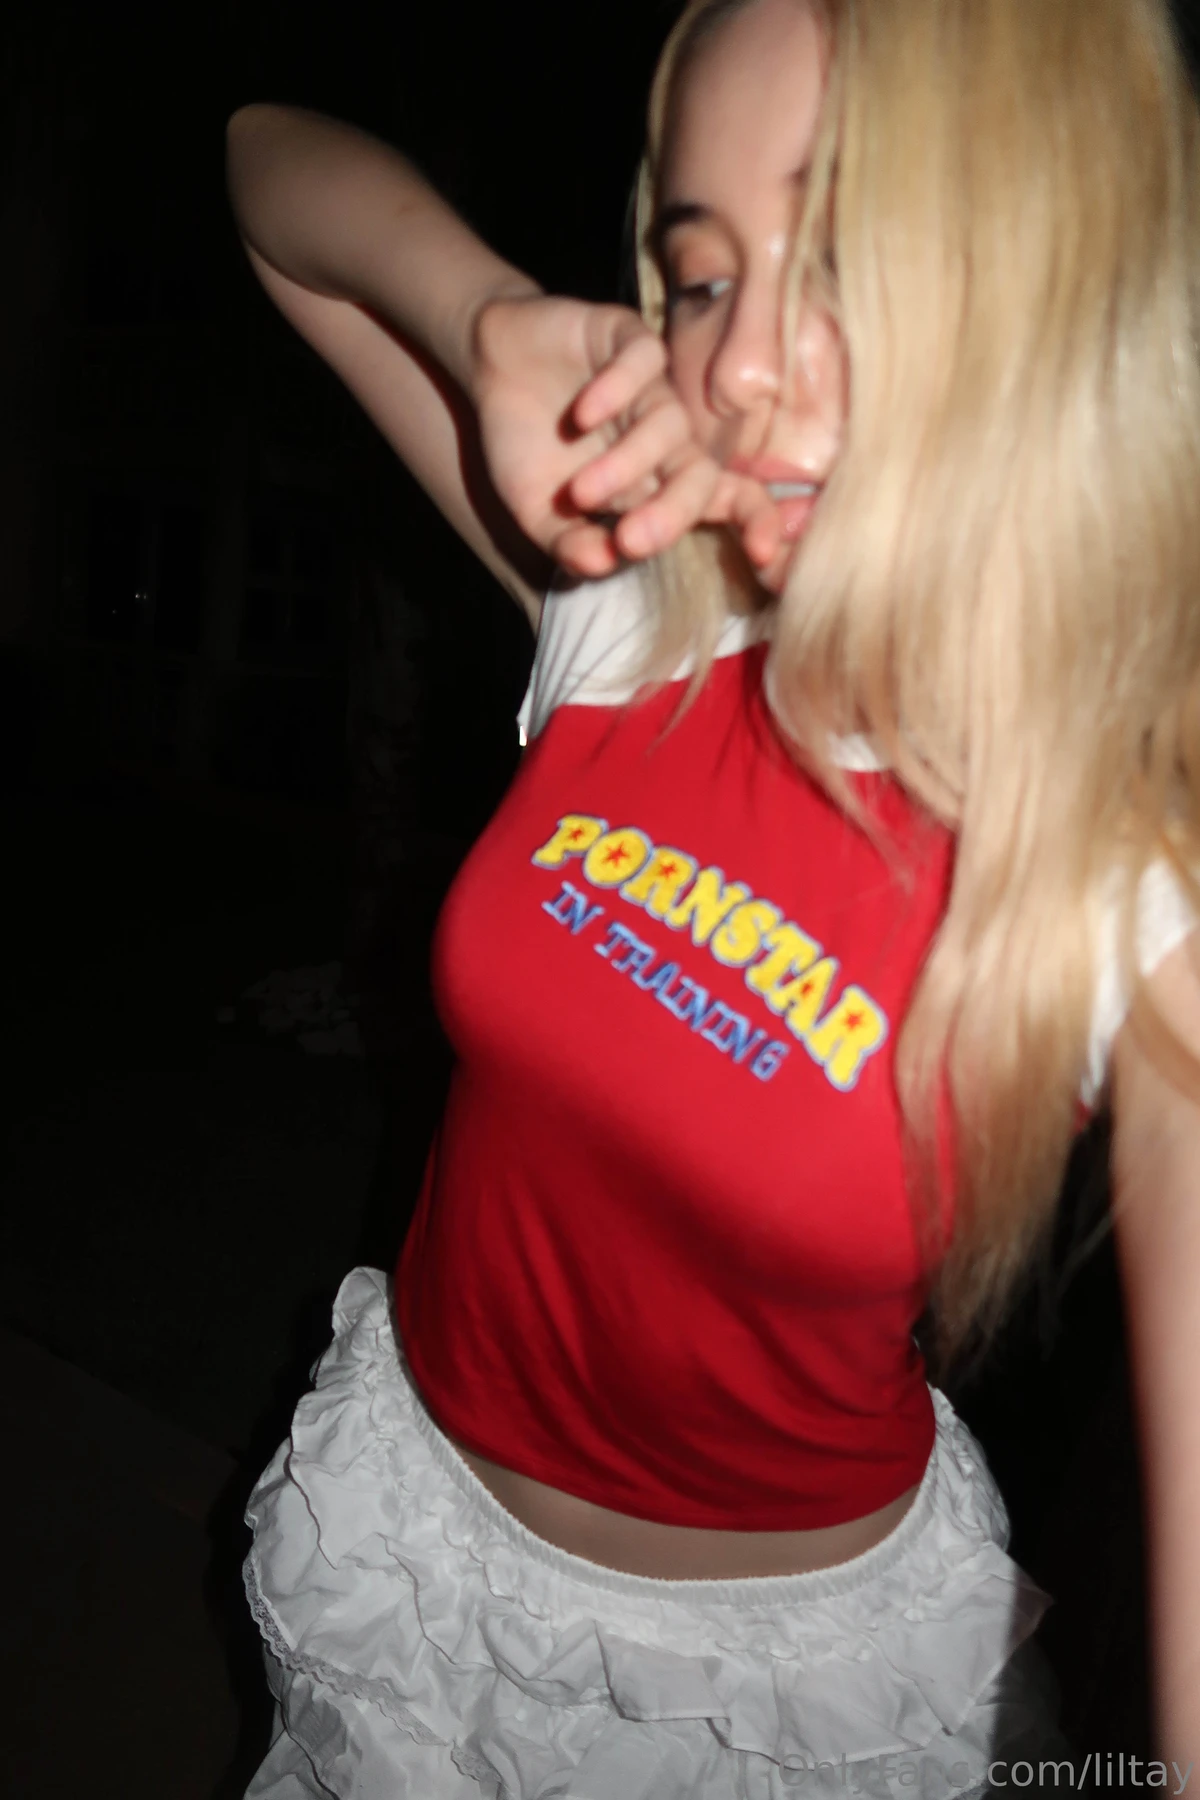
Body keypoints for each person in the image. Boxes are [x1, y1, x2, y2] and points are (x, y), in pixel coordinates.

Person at [226, 0, 1200, 1792]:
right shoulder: (638, 603)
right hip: (412, 1557)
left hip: (757, 1705)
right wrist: (491, 319)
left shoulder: (1130, 872)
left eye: (834, 253)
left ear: (1062, 277)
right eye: (698, 274)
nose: (738, 364)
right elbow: (267, 174)